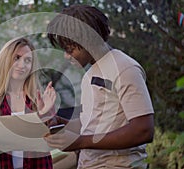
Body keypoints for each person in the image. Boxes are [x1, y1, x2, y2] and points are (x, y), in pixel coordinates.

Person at [44, 4, 154, 169]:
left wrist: (80, 142)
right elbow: (92, 125)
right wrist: (62, 123)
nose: (66, 56)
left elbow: (143, 130)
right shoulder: (90, 74)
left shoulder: (124, 68)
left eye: (70, 50)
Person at [0, 37, 56, 169]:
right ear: (5, 61)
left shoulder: (40, 98)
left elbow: (52, 141)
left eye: (28, 60)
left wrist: (43, 113)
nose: (22, 65)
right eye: (16, 58)